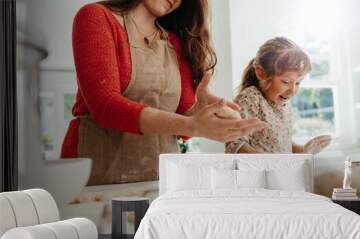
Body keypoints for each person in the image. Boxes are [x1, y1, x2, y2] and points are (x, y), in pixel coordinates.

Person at [61, 0, 265, 185]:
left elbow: (182, 126)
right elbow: (104, 105)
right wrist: (192, 124)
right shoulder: (96, 16)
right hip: (95, 175)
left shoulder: (175, 43)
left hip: (157, 178)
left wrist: (201, 108)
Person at [225, 37, 331, 154]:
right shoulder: (251, 98)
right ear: (261, 73)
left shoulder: (285, 105)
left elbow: (283, 146)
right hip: (257, 171)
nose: (292, 91)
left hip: (278, 171)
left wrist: (304, 151)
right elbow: (234, 144)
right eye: (285, 82)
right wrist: (269, 163)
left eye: (298, 83)